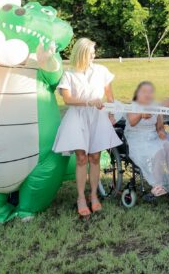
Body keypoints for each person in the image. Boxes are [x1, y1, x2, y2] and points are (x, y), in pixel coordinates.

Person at [53, 37, 122, 217]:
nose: (93, 56)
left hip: (97, 117)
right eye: (90, 53)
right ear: (81, 54)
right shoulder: (68, 75)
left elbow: (109, 96)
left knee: (95, 157)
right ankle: (81, 197)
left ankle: (94, 195)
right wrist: (88, 102)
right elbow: (67, 99)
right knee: (82, 158)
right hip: (77, 118)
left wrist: (111, 113)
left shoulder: (101, 71)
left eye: (94, 53)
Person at [123, 81, 169, 197]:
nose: (147, 94)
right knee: (157, 151)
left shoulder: (156, 107)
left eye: (150, 92)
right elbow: (132, 122)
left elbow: (159, 128)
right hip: (137, 138)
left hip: (153, 136)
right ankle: (157, 185)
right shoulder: (132, 106)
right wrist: (141, 115)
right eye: (144, 92)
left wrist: (161, 133)